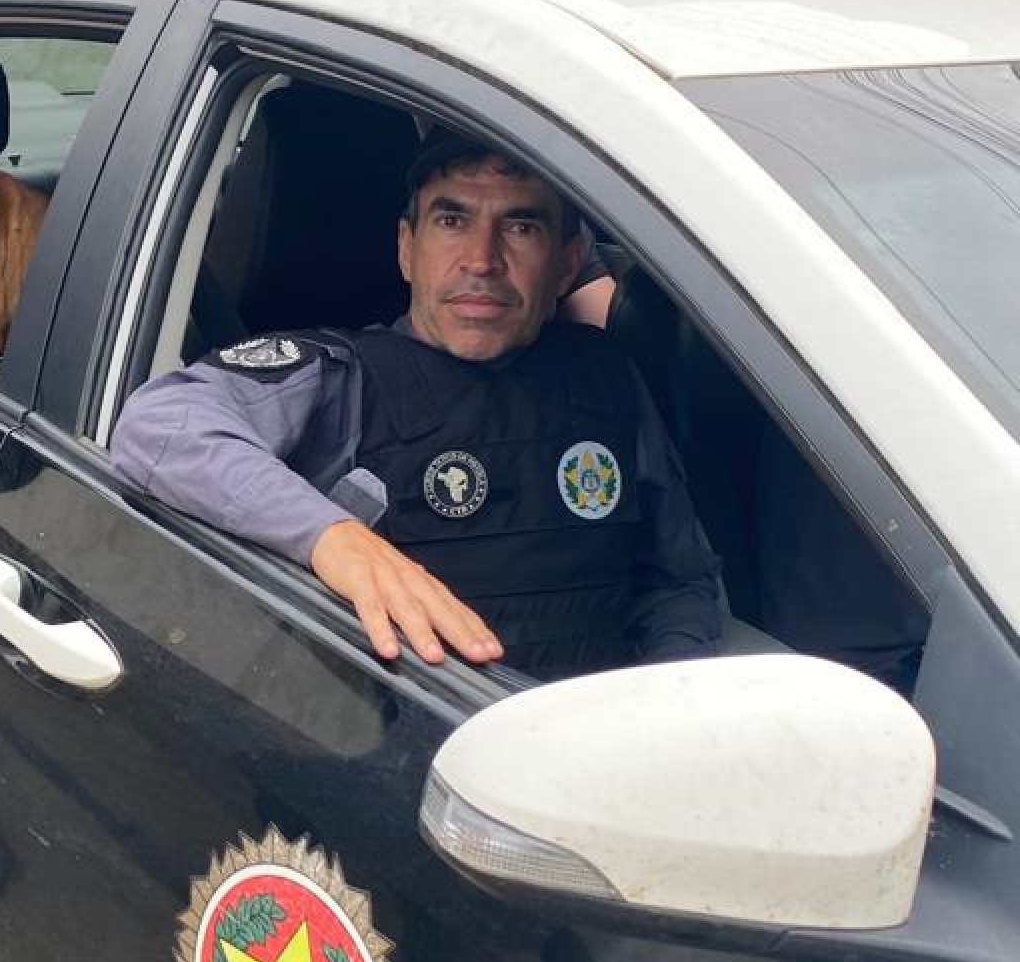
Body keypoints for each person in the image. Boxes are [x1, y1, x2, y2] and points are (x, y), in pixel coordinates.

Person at [112, 130, 722, 679]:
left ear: (566, 264)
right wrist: (334, 540)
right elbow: (158, 424)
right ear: (407, 249)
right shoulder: (336, 377)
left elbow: (679, 580)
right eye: (452, 221)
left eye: (521, 226)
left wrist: (670, 693)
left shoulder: (607, 375)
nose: (482, 259)